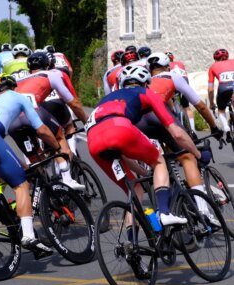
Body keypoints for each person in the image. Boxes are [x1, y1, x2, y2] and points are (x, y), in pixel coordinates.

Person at [86, 65, 209, 227]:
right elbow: (177, 133)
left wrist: (144, 173)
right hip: (118, 126)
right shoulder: (145, 92)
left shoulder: (106, 99)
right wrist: (198, 155)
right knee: (159, 161)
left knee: (134, 190)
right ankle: (165, 213)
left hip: (93, 140)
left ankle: (131, 245)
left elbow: (121, 153)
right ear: (145, 83)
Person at [0, 73, 59, 258]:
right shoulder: (18, 97)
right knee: (21, 184)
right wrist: (57, 147)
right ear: (13, 87)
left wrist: (22, 164)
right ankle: (29, 236)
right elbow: (41, 129)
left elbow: (4, 151)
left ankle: (8, 212)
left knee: (10, 173)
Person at [137, 53, 221, 225]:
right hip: (157, 118)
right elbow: (200, 106)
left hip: (138, 123)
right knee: (187, 157)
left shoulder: (145, 81)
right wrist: (214, 127)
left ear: (149, 69)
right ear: (168, 67)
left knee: (162, 161)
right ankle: (204, 212)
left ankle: (164, 205)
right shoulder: (172, 76)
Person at [10, 52, 87, 190]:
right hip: (34, 113)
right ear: (48, 65)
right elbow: (73, 103)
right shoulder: (51, 74)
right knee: (58, 138)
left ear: (29, 68)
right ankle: (67, 179)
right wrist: (87, 122)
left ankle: (45, 193)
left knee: (36, 158)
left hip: (13, 123)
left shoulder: (19, 82)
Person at [208, 48, 234, 142]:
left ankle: (226, 128)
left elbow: (210, 89)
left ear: (215, 59)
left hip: (223, 89)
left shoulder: (213, 66)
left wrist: (211, 103)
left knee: (221, 110)